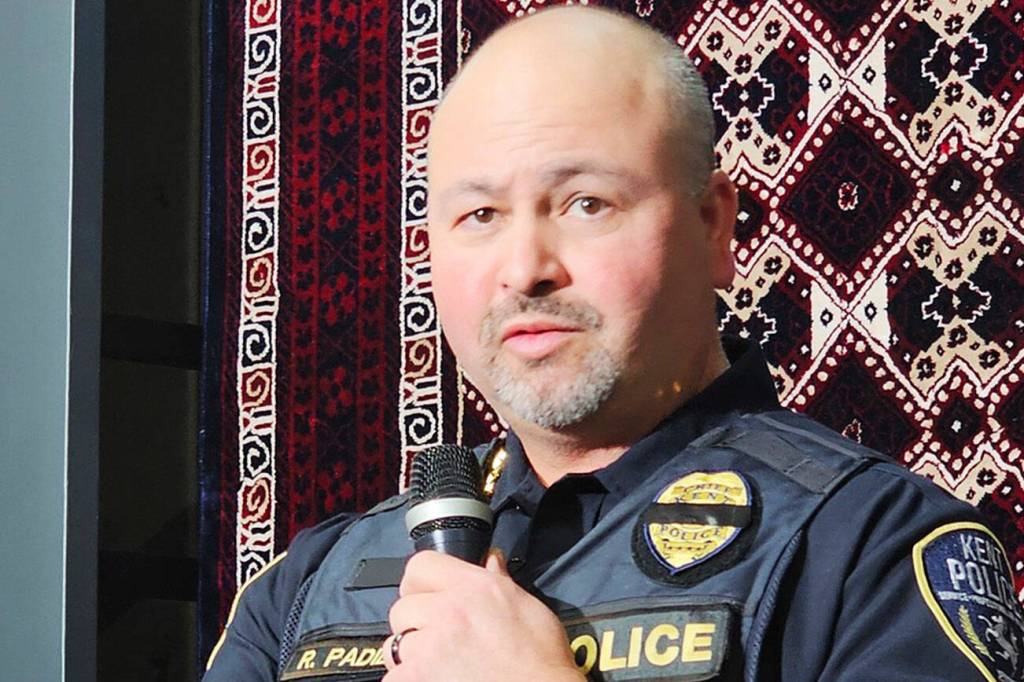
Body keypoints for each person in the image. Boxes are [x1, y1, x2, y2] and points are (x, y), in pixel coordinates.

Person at [203, 6, 1024, 681]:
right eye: (479, 215)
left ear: (713, 227)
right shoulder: (310, 589)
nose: (525, 269)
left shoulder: (871, 552)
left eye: (585, 204)